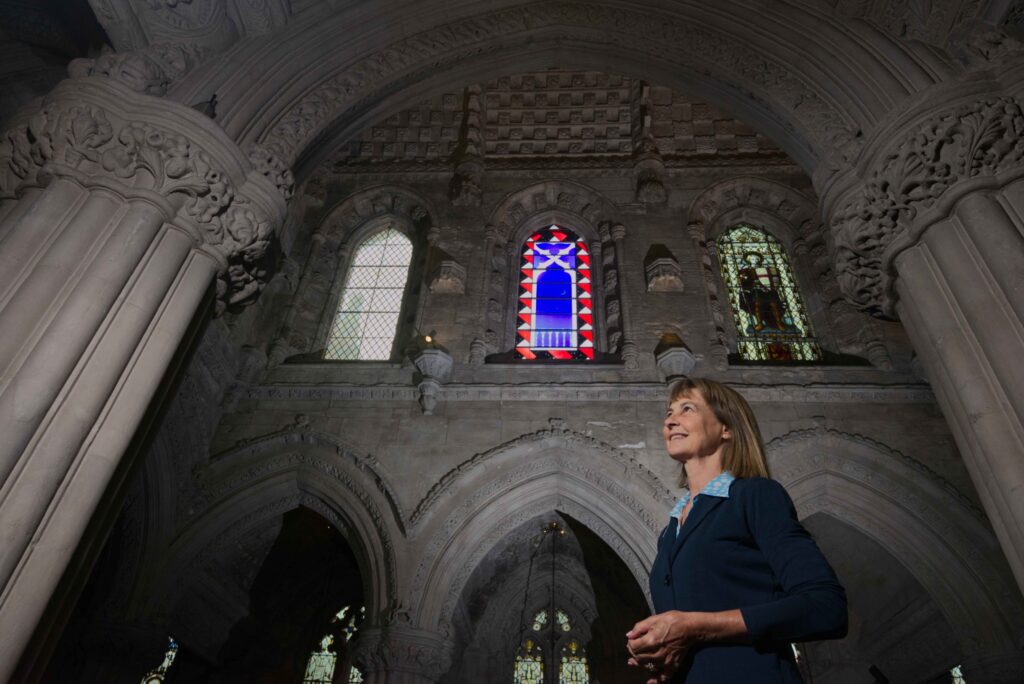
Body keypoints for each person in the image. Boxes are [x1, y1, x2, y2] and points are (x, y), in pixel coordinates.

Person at [626, 378, 846, 683]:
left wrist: (696, 627)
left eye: (686, 408)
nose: (670, 421)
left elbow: (825, 607)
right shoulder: (670, 531)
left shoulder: (754, 496)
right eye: (668, 413)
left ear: (725, 428)